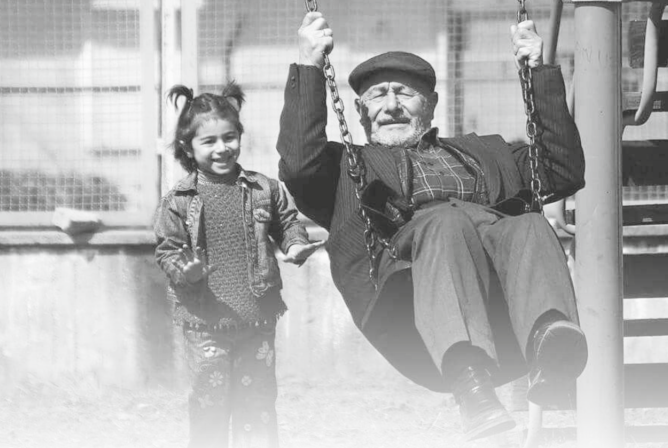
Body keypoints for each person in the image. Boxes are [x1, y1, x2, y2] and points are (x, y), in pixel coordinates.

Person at [276, 12, 588, 441]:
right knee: (445, 221)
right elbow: (298, 164)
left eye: (405, 93)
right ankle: (471, 386)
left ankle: (550, 350)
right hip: (407, 287)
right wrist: (309, 63)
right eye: (377, 96)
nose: (391, 106)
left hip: (495, 282)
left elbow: (562, 171)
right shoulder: (348, 167)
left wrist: (539, 71)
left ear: (431, 103)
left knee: (531, 223)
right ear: (360, 111)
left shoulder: (489, 152)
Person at [154, 81, 323, 448]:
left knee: (257, 406)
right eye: (209, 141)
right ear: (188, 146)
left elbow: (287, 222)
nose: (222, 148)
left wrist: (295, 244)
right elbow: (168, 251)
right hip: (204, 325)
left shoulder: (264, 189)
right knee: (210, 405)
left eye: (229, 137)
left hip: (257, 320)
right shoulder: (178, 201)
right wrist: (186, 272)